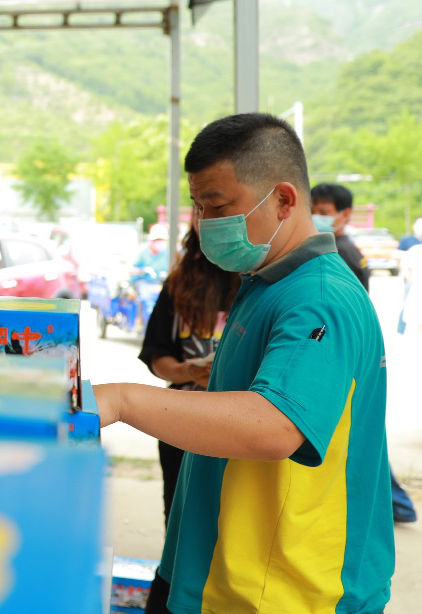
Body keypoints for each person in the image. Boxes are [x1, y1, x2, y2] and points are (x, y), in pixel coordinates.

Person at [95, 113, 393, 613]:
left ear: (283, 199)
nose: (204, 223)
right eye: (198, 206)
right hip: (208, 571)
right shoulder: (265, 282)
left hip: (282, 593)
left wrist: (122, 400)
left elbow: (273, 427)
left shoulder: (317, 299)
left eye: (217, 205)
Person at [314, 184, 416, 524]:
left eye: (324, 211)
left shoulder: (341, 253)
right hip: (351, 362)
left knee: (359, 440)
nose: (317, 215)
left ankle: (396, 504)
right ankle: (395, 504)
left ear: (344, 214)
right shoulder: (339, 248)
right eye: (314, 208)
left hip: (347, 362)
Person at [138, 225, 238, 528]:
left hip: (240, 423)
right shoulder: (179, 285)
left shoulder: (263, 288)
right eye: (199, 207)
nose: (207, 217)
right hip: (182, 420)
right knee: (180, 519)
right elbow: (157, 357)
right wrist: (187, 370)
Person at [311, 182, 369, 290]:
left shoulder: (338, 251)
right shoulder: (346, 247)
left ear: (346, 214)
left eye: (324, 212)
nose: (315, 217)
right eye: (312, 212)